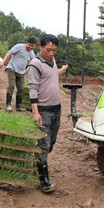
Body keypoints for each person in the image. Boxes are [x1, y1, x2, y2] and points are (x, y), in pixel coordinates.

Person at [26, 34, 68, 193]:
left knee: (51, 142)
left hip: (56, 109)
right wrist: (35, 112)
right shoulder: (35, 64)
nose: (51, 53)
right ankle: (44, 181)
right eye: (48, 50)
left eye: (54, 50)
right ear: (41, 47)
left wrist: (61, 71)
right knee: (44, 145)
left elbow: (51, 75)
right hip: (43, 110)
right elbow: (33, 89)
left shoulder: (51, 61)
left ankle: (37, 166)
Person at [0, 37, 36, 112]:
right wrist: (3, 62)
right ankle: (8, 105)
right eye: (29, 45)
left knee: (21, 88)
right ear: (27, 43)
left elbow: (34, 62)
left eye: (32, 46)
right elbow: (9, 53)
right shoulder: (19, 46)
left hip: (21, 72)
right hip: (12, 68)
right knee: (11, 86)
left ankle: (18, 106)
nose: (30, 47)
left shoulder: (32, 53)